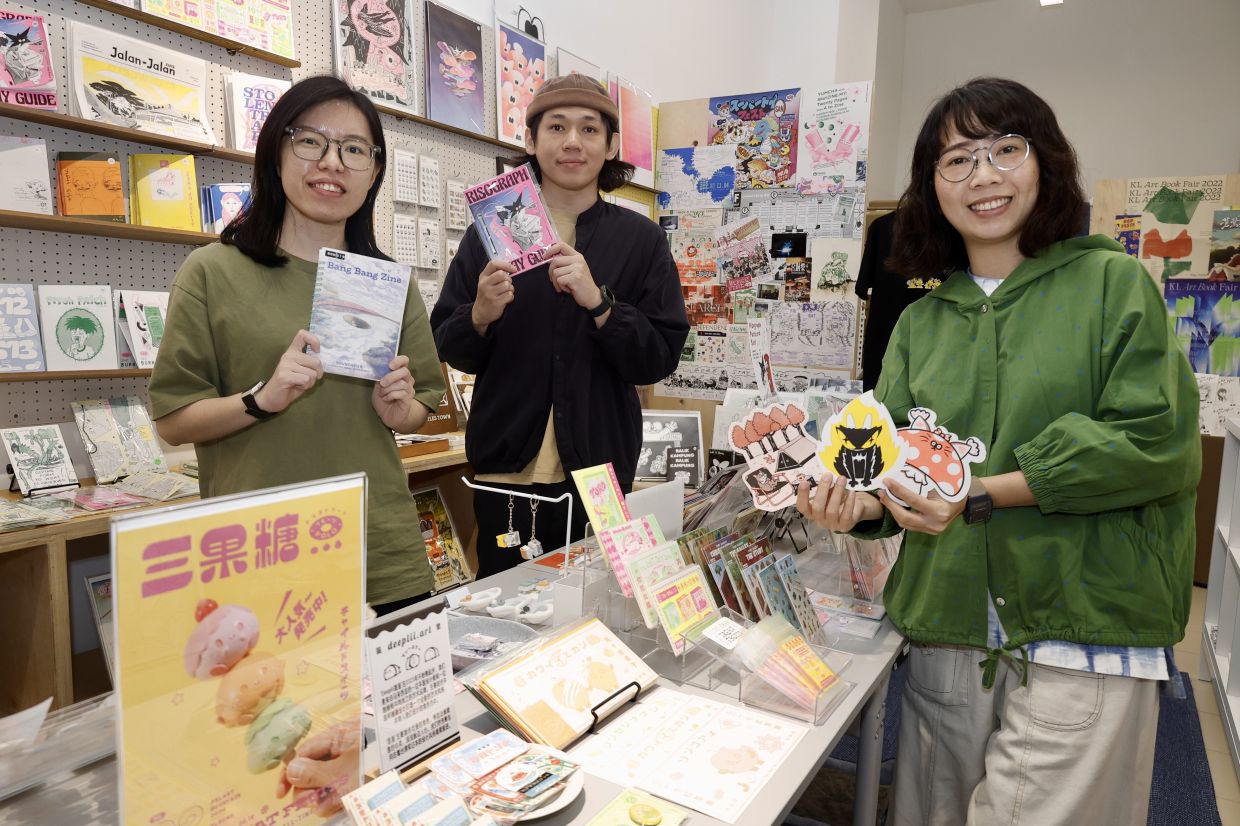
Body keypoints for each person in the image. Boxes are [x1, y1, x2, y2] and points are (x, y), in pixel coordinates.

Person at [797, 77, 1200, 825]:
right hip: (946, 630)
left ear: (1044, 161)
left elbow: (1155, 444)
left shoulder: (1110, 283)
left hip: (1081, 628)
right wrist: (854, 505)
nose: (983, 176)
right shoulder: (921, 321)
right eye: (956, 160)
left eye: (1004, 149)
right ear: (931, 187)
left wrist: (982, 493)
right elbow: (894, 470)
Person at [150, 76, 446, 619]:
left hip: (377, 545)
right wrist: (260, 399)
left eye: (354, 149)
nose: (332, 163)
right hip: (258, 550)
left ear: (373, 171)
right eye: (311, 141)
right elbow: (172, 418)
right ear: (276, 153)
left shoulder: (385, 281)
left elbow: (421, 404)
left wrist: (402, 410)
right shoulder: (213, 271)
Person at [431, 74, 688, 577]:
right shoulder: (489, 234)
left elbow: (659, 355)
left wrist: (600, 303)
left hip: (598, 475)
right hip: (506, 473)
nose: (573, 142)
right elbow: (450, 343)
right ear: (531, 141)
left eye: (590, 130)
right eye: (557, 127)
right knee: (504, 617)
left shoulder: (641, 240)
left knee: (596, 616)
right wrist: (479, 314)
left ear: (611, 145)